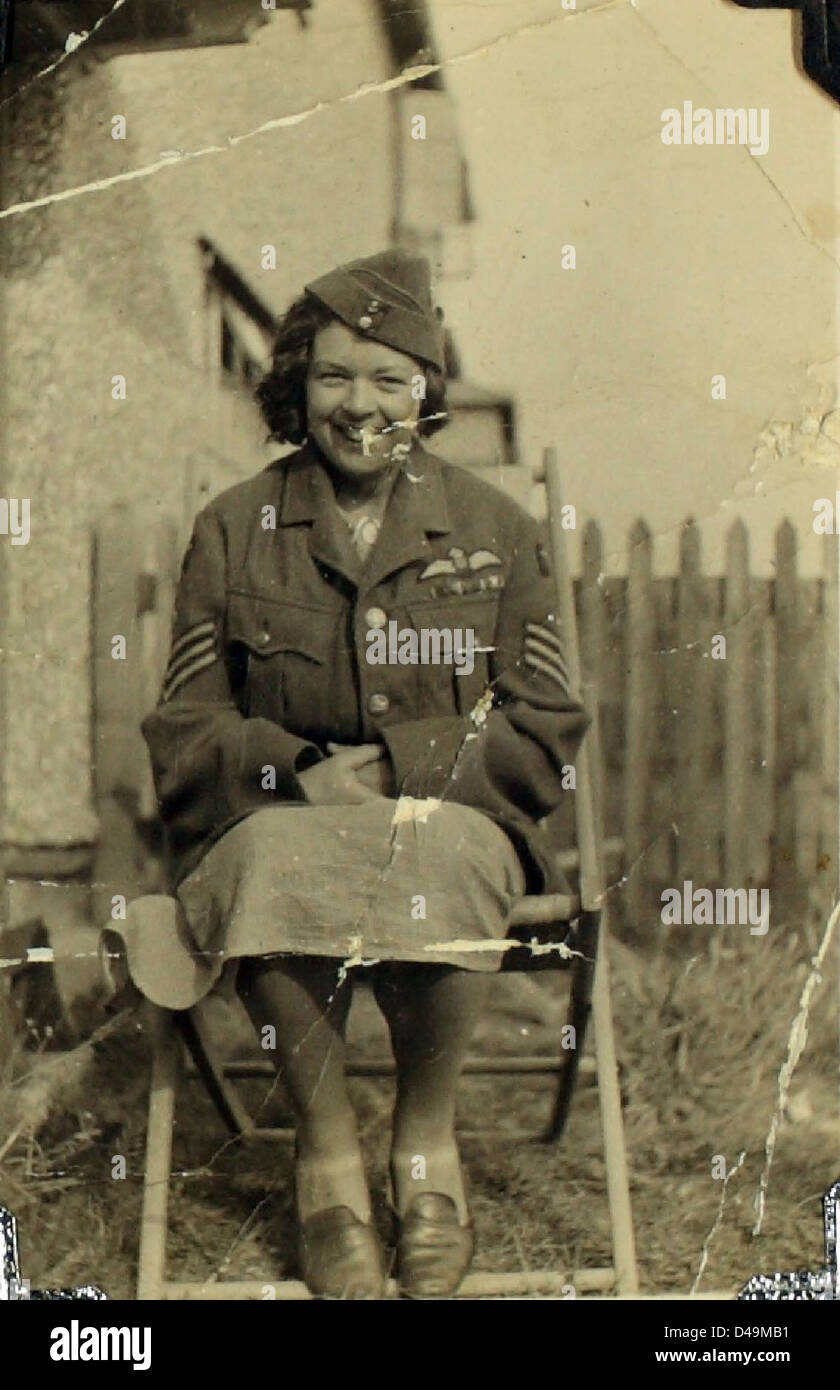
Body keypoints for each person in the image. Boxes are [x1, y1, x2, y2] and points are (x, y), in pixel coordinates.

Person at [134, 250, 588, 1299]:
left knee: (442, 846)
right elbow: (186, 724)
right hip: (280, 818)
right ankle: (329, 1160)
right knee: (273, 861)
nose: (361, 405)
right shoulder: (233, 527)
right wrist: (295, 773)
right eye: (336, 377)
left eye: (391, 379)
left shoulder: (497, 531)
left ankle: (426, 1147)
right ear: (298, 387)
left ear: (427, 393)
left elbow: (545, 719)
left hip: (451, 813)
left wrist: (400, 763)